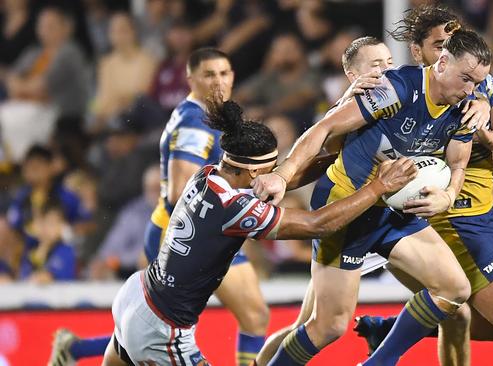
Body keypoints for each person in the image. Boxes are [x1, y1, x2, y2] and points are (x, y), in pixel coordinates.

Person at [101, 98, 418, 365]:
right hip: (163, 327)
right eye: (271, 168)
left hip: (137, 295)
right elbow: (318, 224)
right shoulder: (236, 209)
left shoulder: (208, 174)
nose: (276, 174)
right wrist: (379, 187)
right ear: (253, 171)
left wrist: (340, 156)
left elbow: (283, 182)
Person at [254, 27, 492, 365]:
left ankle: (378, 362)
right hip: (344, 204)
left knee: (455, 290)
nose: (471, 89)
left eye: (478, 83)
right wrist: (282, 174)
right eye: (466, 78)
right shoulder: (396, 89)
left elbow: (457, 163)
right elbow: (325, 129)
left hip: (391, 207)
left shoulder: (467, 108)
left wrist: (449, 196)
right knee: (327, 326)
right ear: (441, 63)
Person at [48, 48, 268, 366]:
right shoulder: (196, 122)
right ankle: (75, 350)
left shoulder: (203, 115)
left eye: (225, 73)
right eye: (209, 74)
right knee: (252, 317)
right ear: (190, 79)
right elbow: (181, 191)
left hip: (184, 230)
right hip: (188, 236)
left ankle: (76, 350)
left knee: (160, 328)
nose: (219, 81)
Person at [352, 6, 493, 366]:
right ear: (417, 51)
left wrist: (483, 131)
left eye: (451, 44)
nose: (446, 53)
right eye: (438, 45)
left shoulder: (477, 85)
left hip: (480, 211)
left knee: (476, 323)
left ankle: (392, 329)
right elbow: (346, 138)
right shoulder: (399, 91)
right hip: (446, 216)